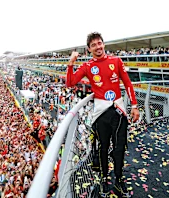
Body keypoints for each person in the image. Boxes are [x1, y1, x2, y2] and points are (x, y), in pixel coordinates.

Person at [65, 32, 139, 196]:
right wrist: (71, 63)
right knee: (103, 149)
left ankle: (119, 180)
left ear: (103, 44)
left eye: (100, 43)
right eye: (94, 45)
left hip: (119, 111)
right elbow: (70, 82)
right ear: (89, 49)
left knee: (120, 149)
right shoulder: (87, 66)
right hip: (100, 115)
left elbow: (127, 83)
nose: (98, 47)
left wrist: (134, 105)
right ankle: (105, 178)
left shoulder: (116, 61)